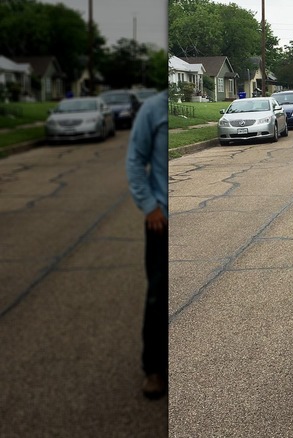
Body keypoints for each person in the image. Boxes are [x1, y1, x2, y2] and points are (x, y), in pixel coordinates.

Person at [125, 90, 169, 399]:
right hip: (160, 220)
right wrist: (149, 205)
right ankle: (154, 369)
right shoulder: (153, 109)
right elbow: (135, 160)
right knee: (158, 295)